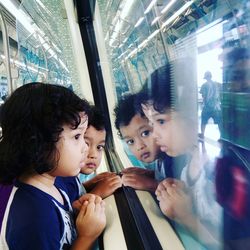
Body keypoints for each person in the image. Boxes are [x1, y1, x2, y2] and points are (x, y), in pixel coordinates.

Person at [0, 82, 106, 250]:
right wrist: (87, 236)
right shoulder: (35, 218)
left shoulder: (53, 183)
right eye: (77, 136)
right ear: (40, 143)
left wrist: (76, 211)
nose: (85, 148)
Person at [138, 63, 222, 249]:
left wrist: (185, 216)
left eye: (161, 121)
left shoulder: (219, 173)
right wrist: (179, 192)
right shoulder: (188, 166)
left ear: (193, 114)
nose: (154, 134)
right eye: (151, 124)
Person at [114, 93, 173, 192]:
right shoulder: (161, 158)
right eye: (130, 141)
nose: (139, 146)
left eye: (145, 133)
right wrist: (150, 174)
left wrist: (152, 184)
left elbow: (180, 194)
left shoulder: (172, 159)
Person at [80, 105, 122, 198]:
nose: (93, 155)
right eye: (86, 144)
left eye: (99, 147)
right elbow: (70, 211)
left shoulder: (71, 178)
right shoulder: (61, 179)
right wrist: (96, 194)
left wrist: (87, 185)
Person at [200, 71, 222, 138]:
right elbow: (220, 93)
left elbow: (204, 96)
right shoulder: (216, 84)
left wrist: (204, 103)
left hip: (207, 107)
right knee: (219, 122)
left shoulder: (204, 85)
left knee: (203, 120)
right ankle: (222, 136)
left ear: (206, 77)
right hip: (216, 107)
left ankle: (202, 134)